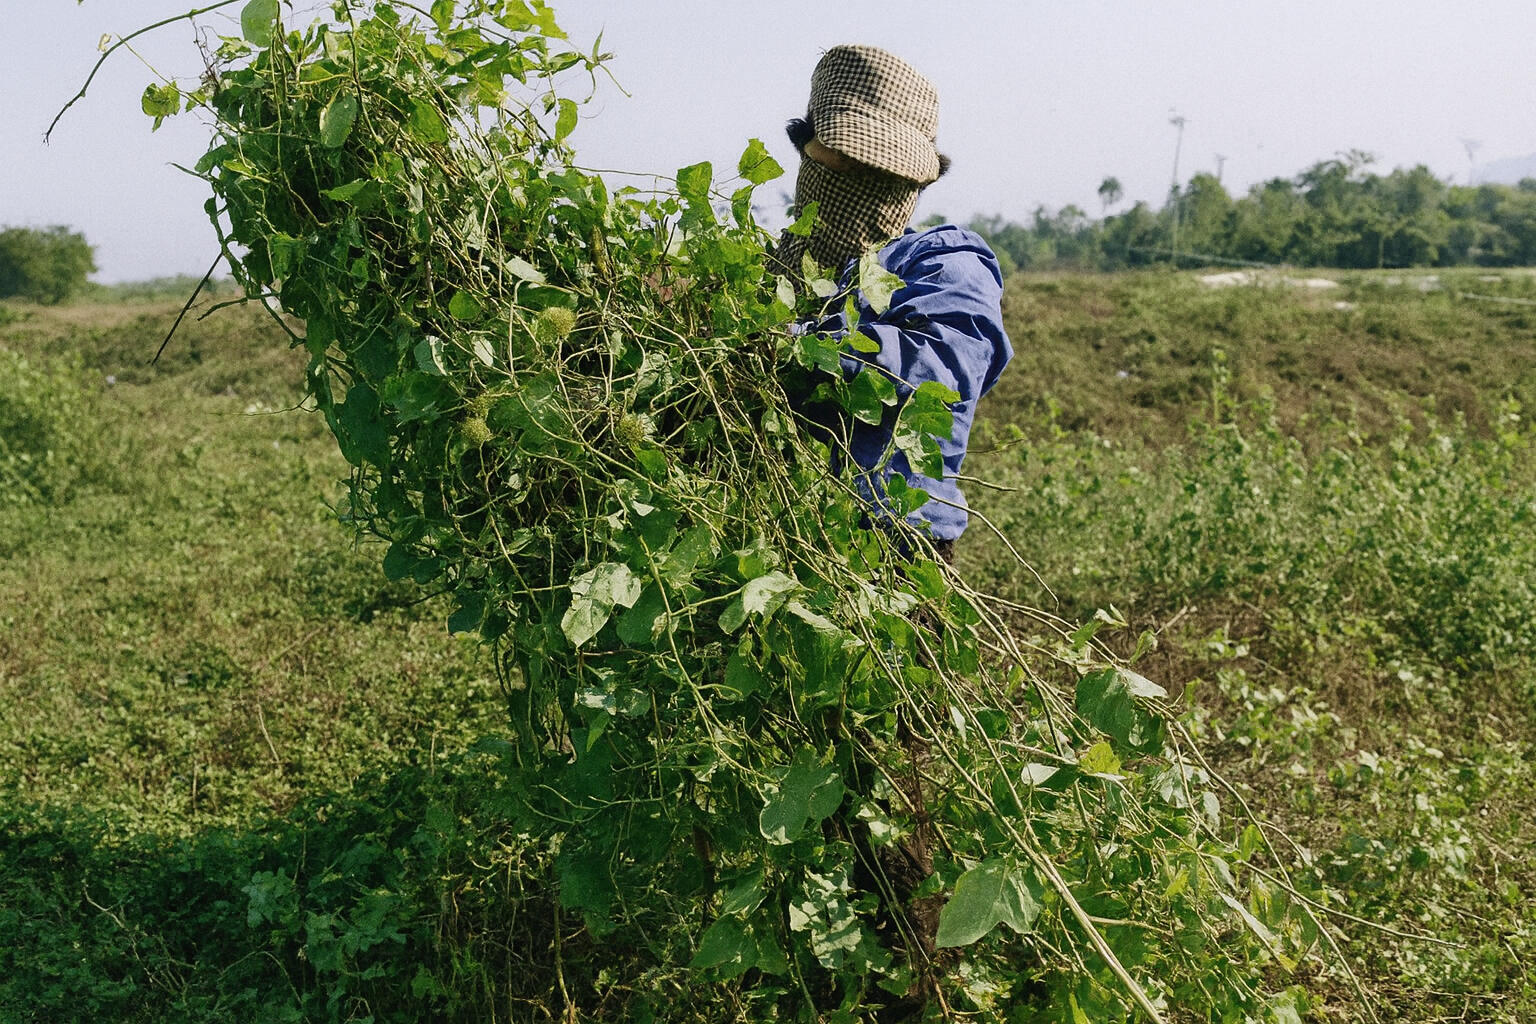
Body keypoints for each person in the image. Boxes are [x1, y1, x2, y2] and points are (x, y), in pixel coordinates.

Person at [772, 44, 1013, 564]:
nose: (861, 180)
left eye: (884, 175)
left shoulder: (944, 262)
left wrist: (788, 348)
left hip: (892, 543)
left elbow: (935, 370)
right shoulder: (769, 273)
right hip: (774, 525)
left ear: (918, 181)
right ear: (806, 143)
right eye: (845, 159)